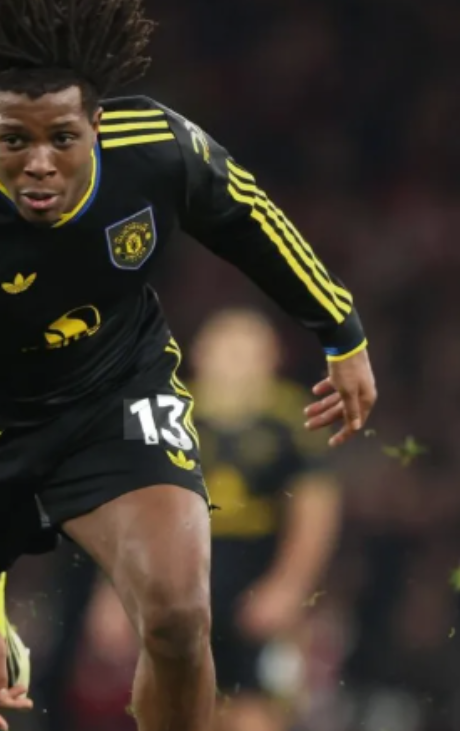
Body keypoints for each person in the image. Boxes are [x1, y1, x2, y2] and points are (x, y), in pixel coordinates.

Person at [0, 0, 378, 729]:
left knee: (178, 616)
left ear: (96, 126)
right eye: (14, 140)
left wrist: (340, 330)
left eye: (63, 138)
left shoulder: (158, 147)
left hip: (113, 396)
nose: (39, 164)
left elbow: (247, 214)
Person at [191, 307, 343, 731]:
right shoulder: (164, 413)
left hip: (259, 571)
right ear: (199, 354)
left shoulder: (293, 420)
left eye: (248, 352)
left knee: (258, 705)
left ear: (273, 359)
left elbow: (316, 508)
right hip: (186, 575)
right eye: (226, 350)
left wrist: (290, 584)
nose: (235, 364)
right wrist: (120, 589)